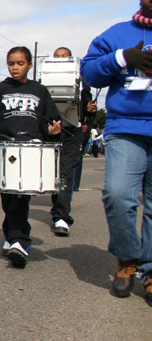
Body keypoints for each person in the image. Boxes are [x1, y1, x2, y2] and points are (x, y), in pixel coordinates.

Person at [80, 0, 152, 305]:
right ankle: (127, 259)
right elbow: (90, 72)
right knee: (119, 195)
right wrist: (124, 57)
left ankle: (150, 270)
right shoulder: (117, 34)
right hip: (126, 128)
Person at [0, 46, 61, 268]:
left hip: (32, 147)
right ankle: (11, 235)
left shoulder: (40, 91)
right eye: (11, 63)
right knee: (8, 193)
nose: (15, 67)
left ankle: (20, 241)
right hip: (7, 147)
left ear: (30, 65)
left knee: (21, 194)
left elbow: (51, 119)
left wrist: (52, 129)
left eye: (20, 63)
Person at [46, 47, 96, 236]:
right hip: (51, 131)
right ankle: (56, 208)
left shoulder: (81, 83)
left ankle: (61, 216)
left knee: (66, 172)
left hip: (73, 133)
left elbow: (86, 108)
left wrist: (89, 113)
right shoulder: (44, 82)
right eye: (57, 56)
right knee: (52, 173)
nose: (60, 59)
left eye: (64, 56)